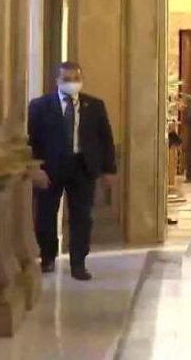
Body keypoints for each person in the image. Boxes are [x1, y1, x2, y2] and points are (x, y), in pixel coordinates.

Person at [27, 61, 116, 281]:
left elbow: (105, 138)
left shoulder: (94, 106)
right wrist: (34, 167)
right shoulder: (40, 106)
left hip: (82, 167)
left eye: (75, 79)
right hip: (50, 168)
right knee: (45, 215)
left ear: (81, 80)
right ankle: (48, 256)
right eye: (66, 79)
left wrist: (109, 170)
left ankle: (78, 263)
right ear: (57, 80)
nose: (71, 83)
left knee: (82, 217)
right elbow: (31, 140)